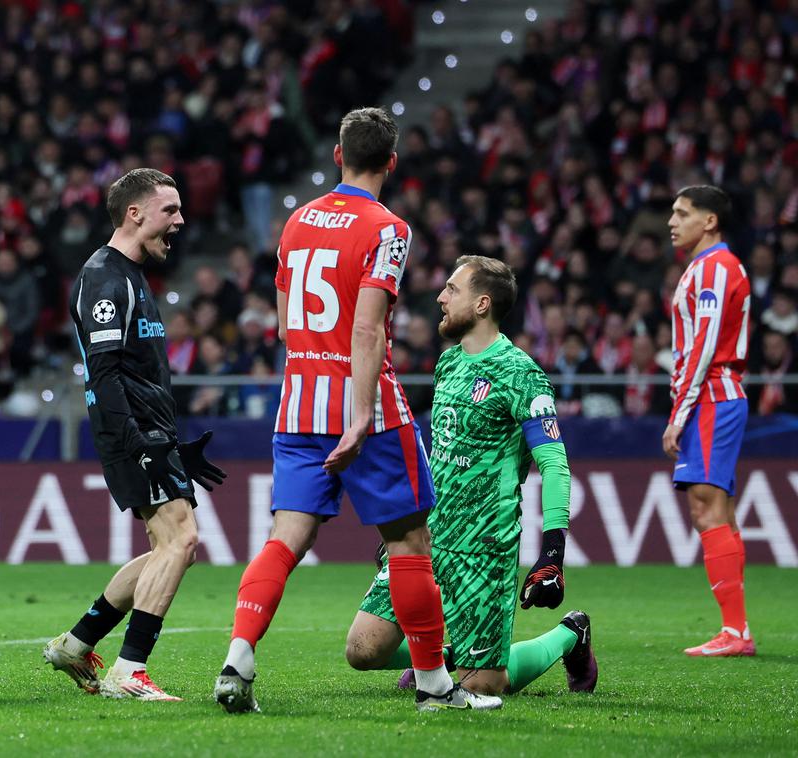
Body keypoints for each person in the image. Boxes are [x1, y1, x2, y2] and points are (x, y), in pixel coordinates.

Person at [214, 108, 500, 714]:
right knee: (409, 541)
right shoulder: (389, 227)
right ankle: (433, 686)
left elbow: (288, 314)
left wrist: (311, 373)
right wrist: (362, 413)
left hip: (297, 403)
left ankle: (238, 659)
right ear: (391, 162)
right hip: (364, 408)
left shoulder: (296, 221)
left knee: (284, 539)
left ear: (338, 155)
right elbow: (368, 329)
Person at [346, 256, 597, 697]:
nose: (440, 298)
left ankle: (570, 635)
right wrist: (402, 526)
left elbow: (554, 464)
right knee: (363, 650)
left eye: (452, 290)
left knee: (483, 683)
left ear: (482, 304)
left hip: (482, 547)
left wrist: (552, 551)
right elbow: (438, 452)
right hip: (428, 535)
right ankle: (440, 657)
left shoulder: (521, 374)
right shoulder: (448, 364)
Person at [42, 168, 226, 701]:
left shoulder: (131, 275)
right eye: (170, 210)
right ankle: (130, 669)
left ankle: (77, 643)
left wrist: (169, 443)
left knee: (169, 547)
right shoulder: (105, 276)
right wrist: (137, 441)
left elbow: (137, 372)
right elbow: (102, 370)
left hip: (148, 430)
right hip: (130, 431)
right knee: (182, 540)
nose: (180, 221)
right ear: (134, 213)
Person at [662, 185, 753, 657]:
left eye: (683, 213)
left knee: (707, 506)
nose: (672, 222)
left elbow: (704, 346)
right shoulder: (703, 267)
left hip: (712, 398)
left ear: (710, 221)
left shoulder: (716, 266)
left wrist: (679, 413)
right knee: (716, 508)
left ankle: (735, 632)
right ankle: (735, 628)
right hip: (711, 398)